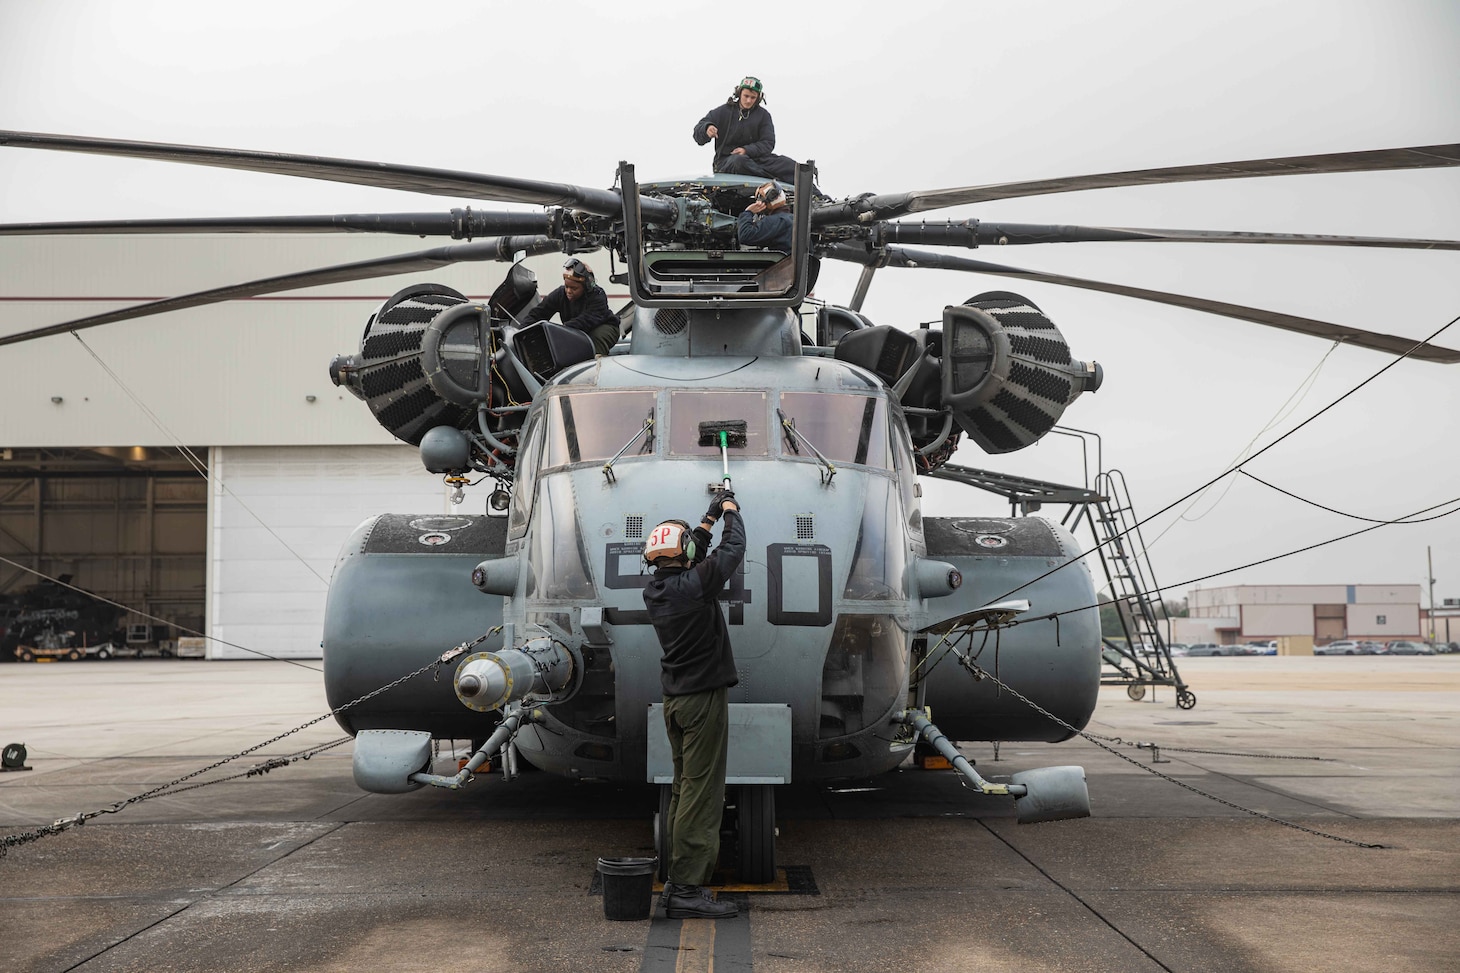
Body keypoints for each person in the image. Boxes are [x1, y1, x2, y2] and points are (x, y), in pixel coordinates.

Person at [641, 490, 745, 920]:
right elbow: (732, 550)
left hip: (676, 702)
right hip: (702, 702)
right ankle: (685, 890)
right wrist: (732, 513)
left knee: (685, 791)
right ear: (682, 554)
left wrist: (706, 518)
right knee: (702, 796)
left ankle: (675, 883)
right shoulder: (694, 584)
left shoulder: (658, 590)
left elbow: (694, 556)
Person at [692, 76, 801, 184]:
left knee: (789, 165)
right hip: (726, 161)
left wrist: (746, 150)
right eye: (746, 96)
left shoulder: (763, 115)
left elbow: (768, 143)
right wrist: (707, 128)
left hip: (757, 159)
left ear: (758, 98)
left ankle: (815, 197)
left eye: (753, 98)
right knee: (739, 161)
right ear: (739, 93)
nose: (748, 101)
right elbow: (698, 133)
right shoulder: (723, 111)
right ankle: (773, 182)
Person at [522, 257, 620, 356]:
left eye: (574, 288)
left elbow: (586, 321)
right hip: (575, 330)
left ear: (586, 286)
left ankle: (597, 367)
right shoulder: (560, 294)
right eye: (566, 286)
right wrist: (521, 332)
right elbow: (538, 313)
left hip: (604, 327)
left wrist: (560, 330)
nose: (568, 291)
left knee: (595, 338)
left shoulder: (597, 295)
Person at [736, 181, 793, 253]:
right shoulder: (791, 218)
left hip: (784, 263)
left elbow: (745, 235)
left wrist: (748, 212)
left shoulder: (776, 221)